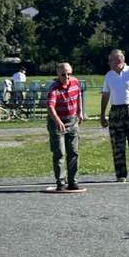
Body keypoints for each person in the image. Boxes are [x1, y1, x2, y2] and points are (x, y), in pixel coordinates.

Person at [100, 49, 129, 182]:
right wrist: (102, 114)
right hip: (116, 111)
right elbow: (105, 95)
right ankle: (121, 175)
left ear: (119, 60)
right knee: (117, 146)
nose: (108, 63)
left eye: (111, 60)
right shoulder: (109, 75)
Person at [46, 62, 84, 191]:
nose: (67, 77)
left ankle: (73, 181)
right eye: (63, 74)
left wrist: (80, 111)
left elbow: (78, 95)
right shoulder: (54, 88)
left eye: (69, 74)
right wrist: (57, 121)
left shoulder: (75, 82)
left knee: (73, 152)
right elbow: (50, 107)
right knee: (60, 153)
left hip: (72, 120)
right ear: (58, 74)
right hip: (57, 122)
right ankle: (61, 182)